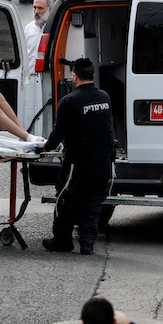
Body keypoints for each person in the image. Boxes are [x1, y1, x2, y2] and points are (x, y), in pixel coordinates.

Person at [43, 58, 115, 255]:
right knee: (93, 204)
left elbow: (59, 133)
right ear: (93, 75)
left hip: (78, 164)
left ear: (74, 76)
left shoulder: (69, 101)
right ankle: (87, 244)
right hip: (103, 163)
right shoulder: (105, 98)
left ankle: (62, 241)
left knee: (66, 201)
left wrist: (45, 148)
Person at [24, 0, 50, 67]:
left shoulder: (56, 29)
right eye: (34, 7)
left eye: (40, 8)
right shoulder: (29, 28)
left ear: (50, 9)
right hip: (30, 72)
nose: (36, 11)